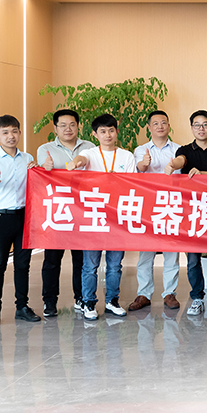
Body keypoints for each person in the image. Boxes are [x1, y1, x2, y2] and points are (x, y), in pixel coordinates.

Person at [68, 113, 137, 320]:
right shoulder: (90, 153)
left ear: (117, 132)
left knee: (115, 265)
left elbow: (134, 185)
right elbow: (81, 160)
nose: (108, 135)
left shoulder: (127, 156)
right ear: (95, 134)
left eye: (111, 130)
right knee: (90, 266)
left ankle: (112, 301)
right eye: (103, 131)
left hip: (117, 218)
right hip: (94, 217)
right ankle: (88, 302)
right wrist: (75, 162)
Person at [0, 115, 40, 327]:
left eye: (14, 131)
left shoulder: (27, 157)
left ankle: (22, 307)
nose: (10, 136)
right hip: (0, 219)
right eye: (5, 132)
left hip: (24, 217)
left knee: (23, 265)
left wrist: (39, 168)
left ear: (20, 133)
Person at [37, 109, 96, 317]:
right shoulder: (45, 149)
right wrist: (45, 168)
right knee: (52, 260)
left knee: (81, 259)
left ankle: (80, 297)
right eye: (62, 125)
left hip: (83, 211)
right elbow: (41, 176)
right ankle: (49, 302)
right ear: (55, 128)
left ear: (78, 126)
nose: (68, 129)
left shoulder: (90, 148)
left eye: (72, 124)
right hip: (58, 212)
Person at [166, 110, 207, 317]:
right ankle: (197, 297)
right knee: (192, 259)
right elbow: (181, 160)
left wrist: (202, 174)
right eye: (197, 125)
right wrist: (173, 165)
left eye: (205, 124)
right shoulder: (184, 150)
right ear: (192, 128)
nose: (201, 128)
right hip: (191, 212)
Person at [128, 110, 183, 313]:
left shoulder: (179, 150)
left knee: (171, 253)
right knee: (146, 253)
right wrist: (143, 165)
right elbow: (137, 172)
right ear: (149, 128)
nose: (160, 126)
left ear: (169, 126)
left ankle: (170, 293)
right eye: (156, 123)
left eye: (164, 123)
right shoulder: (139, 150)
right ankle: (144, 294)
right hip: (148, 207)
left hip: (171, 205)